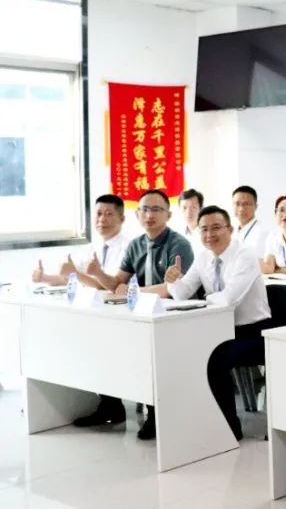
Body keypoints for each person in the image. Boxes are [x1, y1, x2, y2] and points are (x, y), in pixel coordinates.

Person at [78, 189, 195, 441]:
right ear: (137, 214)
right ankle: (110, 405)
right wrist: (97, 273)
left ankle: (156, 414)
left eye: (156, 210)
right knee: (105, 341)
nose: (149, 215)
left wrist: (133, 291)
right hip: (142, 313)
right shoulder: (136, 245)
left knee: (148, 352)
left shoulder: (178, 244)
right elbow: (116, 284)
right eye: (144, 209)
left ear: (168, 215)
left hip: (173, 316)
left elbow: (172, 289)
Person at [162, 205, 270, 441]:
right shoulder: (203, 257)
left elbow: (229, 299)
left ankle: (229, 428)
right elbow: (182, 294)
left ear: (230, 229)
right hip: (218, 330)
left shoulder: (245, 256)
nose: (209, 234)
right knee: (183, 353)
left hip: (253, 332)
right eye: (204, 229)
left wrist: (203, 301)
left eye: (216, 228)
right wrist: (173, 281)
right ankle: (198, 420)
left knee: (214, 359)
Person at [32, 194, 131, 288]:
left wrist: (75, 273)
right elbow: (71, 278)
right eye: (99, 214)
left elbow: (110, 285)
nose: (102, 219)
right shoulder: (93, 247)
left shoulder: (129, 248)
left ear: (122, 219)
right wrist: (44, 278)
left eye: (109, 214)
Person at [232, 185, 270, 251]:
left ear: (256, 206)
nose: (241, 209)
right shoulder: (231, 232)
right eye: (237, 204)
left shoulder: (263, 233)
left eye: (246, 204)